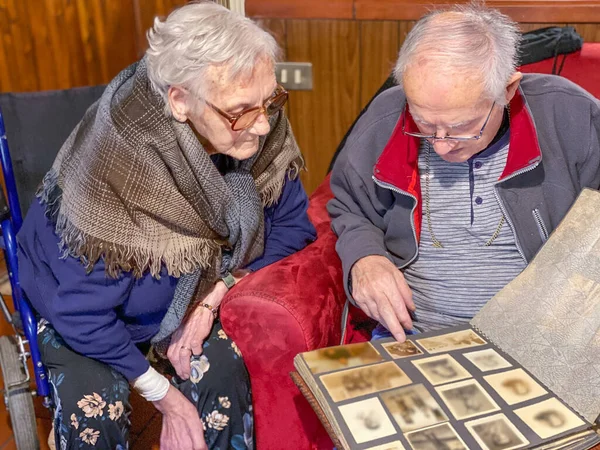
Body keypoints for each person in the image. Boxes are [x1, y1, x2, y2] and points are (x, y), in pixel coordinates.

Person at [17, 2, 316, 449]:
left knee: (227, 375)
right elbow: (82, 313)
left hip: (189, 290)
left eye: (270, 101)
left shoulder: (252, 110)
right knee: (95, 409)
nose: (262, 124)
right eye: (240, 112)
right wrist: (167, 400)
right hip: (80, 310)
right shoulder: (117, 168)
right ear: (180, 101)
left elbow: (293, 227)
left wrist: (215, 293)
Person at [328, 4, 600, 342]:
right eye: (424, 123)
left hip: (544, 341)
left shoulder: (571, 115)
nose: (441, 145)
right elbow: (349, 205)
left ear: (507, 90)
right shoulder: (386, 116)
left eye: (461, 127)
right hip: (414, 335)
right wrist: (364, 257)